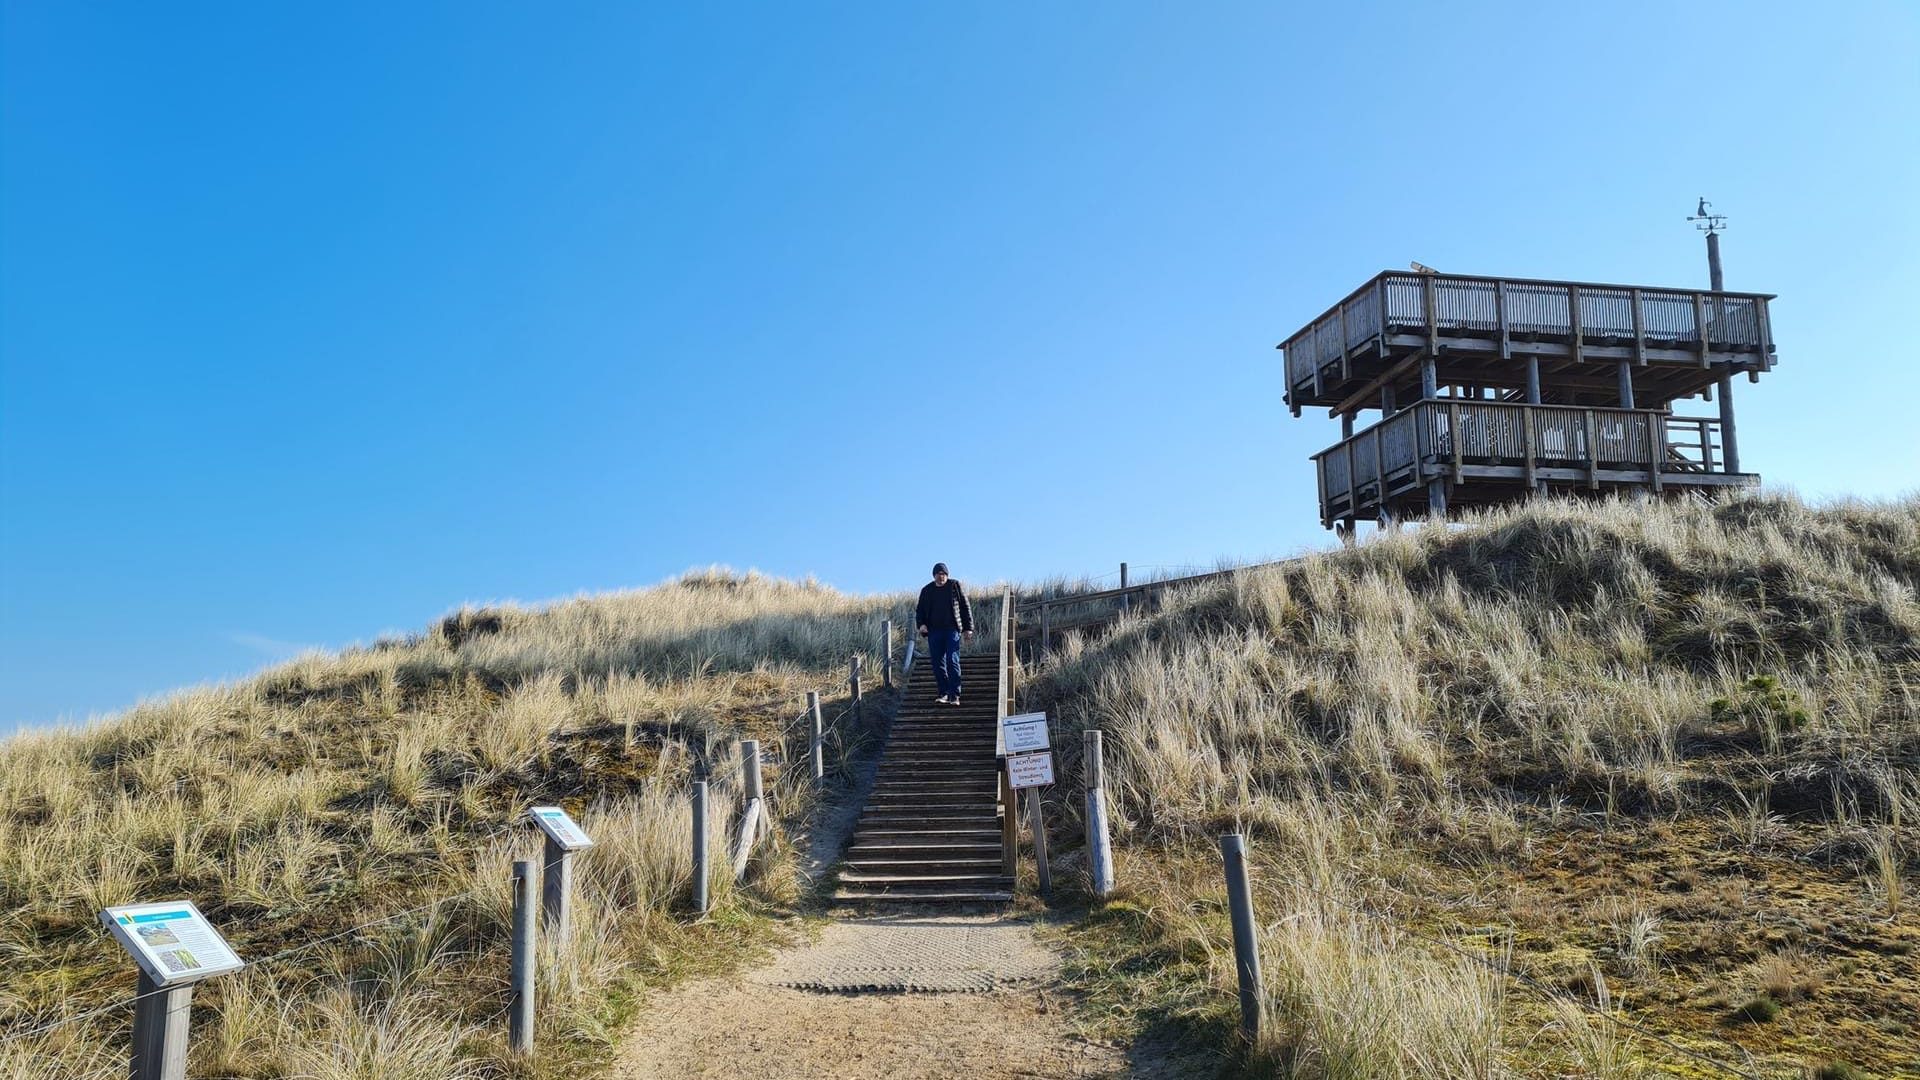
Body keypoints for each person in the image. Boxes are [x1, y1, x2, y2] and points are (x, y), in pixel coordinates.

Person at [916, 562, 974, 705]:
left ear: (947, 575)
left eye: (943, 574)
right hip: (934, 632)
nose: (941, 577)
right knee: (937, 663)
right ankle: (944, 693)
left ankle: (955, 695)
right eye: (938, 574)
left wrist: (968, 628)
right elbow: (920, 611)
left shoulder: (954, 586)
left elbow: (965, 607)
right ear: (934, 575)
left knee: (952, 660)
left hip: (952, 630)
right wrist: (921, 625)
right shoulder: (927, 590)